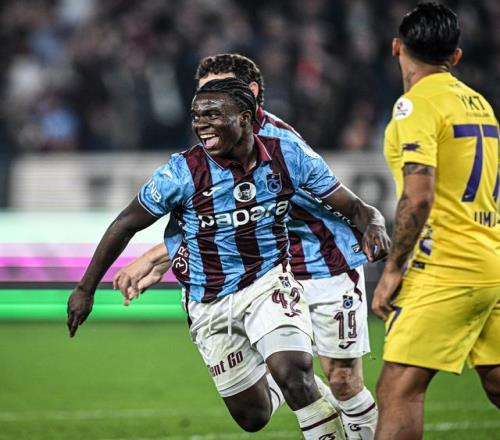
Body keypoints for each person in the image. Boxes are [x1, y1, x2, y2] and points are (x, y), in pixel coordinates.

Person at [68, 78, 389, 439]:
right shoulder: (181, 172)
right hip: (208, 301)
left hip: (268, 282)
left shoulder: (288, 156)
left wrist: (374, 225)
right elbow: (124, 224)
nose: (201, 124)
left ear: (245, 117)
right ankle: (279, 379)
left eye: (212, 114)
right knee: (253, 417)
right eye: (196, 115)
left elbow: (354, 207)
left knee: (295, 374)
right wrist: (85, 289)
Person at [372, 3, 500, 439]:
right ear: (455, 56)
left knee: (398, 390)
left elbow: (419, 195)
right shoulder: (479, 104)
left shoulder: (415, 106)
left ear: (397, 47)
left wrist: (393, 269)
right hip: (490, 259)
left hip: (447, 267)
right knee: (497, 380)